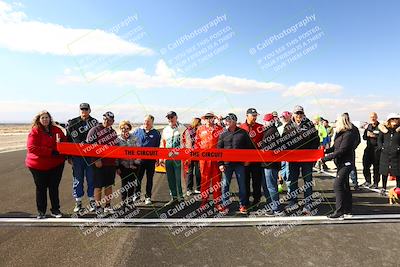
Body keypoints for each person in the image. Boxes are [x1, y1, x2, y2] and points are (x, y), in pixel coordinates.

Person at [26, 110, 67, 219]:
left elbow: (64, 142)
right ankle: (41, 211)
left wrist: (65, 152)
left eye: (47, 117)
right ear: (39, 120)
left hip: (56, 164)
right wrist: (50, 151)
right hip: (38, 166)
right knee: (41, 188)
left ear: (50, 119)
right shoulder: (35, 131)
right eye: (43, 118)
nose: (45, 119)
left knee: (54, 187)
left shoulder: (57, 130)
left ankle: (55, 209)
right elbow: (31, 148)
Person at [320, 113, 357, 219]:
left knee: (338, 185)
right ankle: (348, 210)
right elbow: (335, 148)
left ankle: (339, 210)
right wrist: (325, 151)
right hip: (341, 163)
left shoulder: (348, 134)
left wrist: (325, 158)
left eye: (337, 121)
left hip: (346, 163)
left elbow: (342, 150)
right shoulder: (340, 133)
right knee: (345, 186)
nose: (335, 123)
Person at [284, 105, 319, 215]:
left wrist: (310, 153)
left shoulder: (309, 124)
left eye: (301, 113)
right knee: (292, 180)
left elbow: (316, 140)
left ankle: (308, 203)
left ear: (303, 114)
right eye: (297, 113)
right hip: (292, 159)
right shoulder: (288, 125)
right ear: (293, 114)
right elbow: (284, 141)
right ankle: (292, 202)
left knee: (307, 181)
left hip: (306, 159)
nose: (299, 115)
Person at [218, 113, 253, 214]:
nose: (226, 122)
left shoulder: (243, 133)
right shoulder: (222, 134)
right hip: (226, 164)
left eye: (228, 120)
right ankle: (225, 205)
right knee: (225, 185)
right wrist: (220, 164)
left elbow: (250, 148)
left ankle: (243, 205)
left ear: (234, 121)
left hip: (240, 164)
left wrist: (248, 160)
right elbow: (219, 150)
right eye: (226, 120)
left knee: (242, 185)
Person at [66, 103, 98, 213]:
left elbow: (98, 141)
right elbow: (68, 140)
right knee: (78, 179)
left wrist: (97, 157)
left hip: (90, 157)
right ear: (79, 110)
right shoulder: (72, 122)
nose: (84, 111)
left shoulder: (95, 122)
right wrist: (68, 156)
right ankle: (78, 202)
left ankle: (92, 200)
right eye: (82, 109)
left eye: (86, 109)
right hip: (77, 157)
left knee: (91, 178)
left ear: (89, 110)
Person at [86, 111, 118, 215]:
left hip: (110, 163)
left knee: (109, 185)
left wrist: (116, 163)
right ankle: (98, 206)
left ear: (113, 121)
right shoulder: (95, 130)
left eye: (109, 120)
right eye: (105, 119)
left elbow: (116, 148)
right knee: (98, 186)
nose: (106, 121)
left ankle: (108, 205)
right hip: (98, 163)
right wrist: (96, 159)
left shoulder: (113, 132)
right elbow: (89, 146)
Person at [160, 111, 191, 206]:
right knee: (170, 179)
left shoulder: (183, 128)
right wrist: (161, 158)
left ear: (176, 117)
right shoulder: (165, 130)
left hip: (179, 158)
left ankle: (183, 198)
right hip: (168, 158)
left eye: (171, 117)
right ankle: (173, 197)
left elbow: (188, 144)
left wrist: (187, 158)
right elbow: (162, 144)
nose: (170, 119)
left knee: (180, 179)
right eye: (168, 117)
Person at [195, 112, 224, 211]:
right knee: (205, 181)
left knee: (217, 182)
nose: (209, 119)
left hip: (216, 159)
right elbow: (197, 143)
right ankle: (204, 202)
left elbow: (223, 144)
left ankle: (217, 202)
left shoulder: (219, 129)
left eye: (211, 118)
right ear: (204, 119)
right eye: (207, 118)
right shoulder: (200, 129)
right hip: (204, 160)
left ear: (214, 118)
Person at [260, 113, 285, 216]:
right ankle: (275, 207)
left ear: (270, 122)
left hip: (270, 164)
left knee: (271, 187)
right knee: (271, 186)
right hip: (271, 164)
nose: (264, 123)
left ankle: (277, 209)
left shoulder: (270, 132)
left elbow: (269, 149)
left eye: (265, 121)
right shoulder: (272, 131)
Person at [240, 108, 265, 208]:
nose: (255, 117)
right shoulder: (241, 127)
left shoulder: (261, 127)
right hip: (244, 161)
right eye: (253, 115)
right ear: (247, 116)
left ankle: (256, 200)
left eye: (256, 115)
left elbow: (265, 142)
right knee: (244, 181)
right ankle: (245, 201)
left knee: (256, 181)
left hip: (257, 160)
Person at [133, 115, 161, 205]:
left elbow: (158, 147)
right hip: (139, 160)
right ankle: (136, 195)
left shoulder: (156, 133)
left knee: (150, 179)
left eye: (148, 121)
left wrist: (157, 159)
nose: (146, 123)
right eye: (145, 121)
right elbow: (132, 143)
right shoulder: (137, 131)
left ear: (152, 122)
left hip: (151, 161)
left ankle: (148, 196)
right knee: (138, 178)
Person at [116, 120, 140, 209]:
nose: (124, 130)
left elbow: (139, 152)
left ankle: (130, 201)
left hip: (133, 166)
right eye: (122, 128)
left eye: (126, 128)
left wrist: (136, 164)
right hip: (123, 166)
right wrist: (117, 167)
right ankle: (123, 202)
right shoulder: (117, 140)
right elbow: (116, 155)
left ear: (129, 129)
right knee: (124, 184)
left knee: (132, 184)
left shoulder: (135, 138)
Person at [377, 113, 400, 195]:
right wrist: (381, 147)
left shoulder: (399, 130)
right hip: (385, 153)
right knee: (384, 171)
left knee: (398, 172)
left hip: (397, 154)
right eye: (393, 119)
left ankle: (398, 188)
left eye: (396, 119)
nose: (395, 121)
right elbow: (379, 140)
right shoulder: (384, 129)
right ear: (389, 120)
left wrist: (398, 148)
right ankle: (383, 187)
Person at [362, 112, 381, 188]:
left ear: (377, 117)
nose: (372, 118)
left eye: (374, 117)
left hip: (377, 150)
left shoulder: (380, 126)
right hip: (368, 149)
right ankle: (367, 181)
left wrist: (374, 135)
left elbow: (382, 137)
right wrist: (367, 135)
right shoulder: (368, 126)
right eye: (371, 117)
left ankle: (376, 183)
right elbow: (364, 137)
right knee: (365, 166)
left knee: (376, 168)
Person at [186, 117, 202, 196]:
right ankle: (198, 188)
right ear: (197, 123)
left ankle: (189, 189)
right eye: (200, 123)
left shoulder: (188, 130)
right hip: (195, 152)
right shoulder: (199, 130)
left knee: (191, 171)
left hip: (191, 152)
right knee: (196, 170)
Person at [345, 113, 361, 191]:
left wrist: (352, 147)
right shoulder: (341, 128)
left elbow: (358, 140)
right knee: (344, 167)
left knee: (351, 167)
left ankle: (355, 183)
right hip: (343, 151)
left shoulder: (353, 128)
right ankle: (346, 183)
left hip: (350, 151)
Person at [277, 111, 292, 189]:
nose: (283, 118)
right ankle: (281, 183)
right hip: (281, 153)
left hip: (290, 153)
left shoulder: (293, 127)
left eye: (285, 117)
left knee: (289, 171)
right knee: (282, 169)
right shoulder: (278, 128)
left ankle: (290, 189)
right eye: (282, 117)